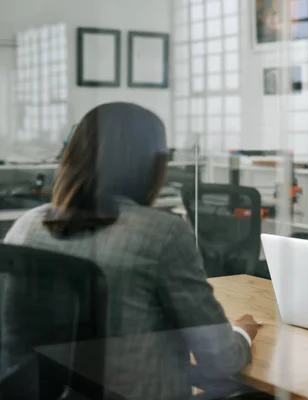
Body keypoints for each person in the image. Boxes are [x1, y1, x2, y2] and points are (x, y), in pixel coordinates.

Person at [2, 102, 259, 399]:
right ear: (151, 166)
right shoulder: (162, 233)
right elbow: (219, 359)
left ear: (73, 158)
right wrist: (242, 333)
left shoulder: (25, 226)